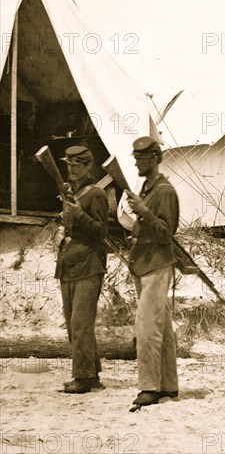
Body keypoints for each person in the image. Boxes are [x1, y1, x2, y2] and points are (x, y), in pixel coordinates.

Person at [126, 137, 180, 406]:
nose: (136, 162)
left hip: (157, 262)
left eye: (140, 158)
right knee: (162, 327)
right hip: (144, 261)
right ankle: (168, 384)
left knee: (147, 327)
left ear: (153, 159)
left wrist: (144, 212)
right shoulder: (148, 188)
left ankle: (149, 387)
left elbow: (165, 233)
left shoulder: (164, 191)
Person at [56, 146, 108, 394]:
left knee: (81, 324)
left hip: (89, 264)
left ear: (88, 166)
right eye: (69, 164)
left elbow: (100, 232)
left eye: (77, 164)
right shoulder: (71, 193)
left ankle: (83, 377)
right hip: (69, 265)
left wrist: (79, 213)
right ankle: (91, 374)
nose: (72, 168)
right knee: (73, 323)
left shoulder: (96, 194)